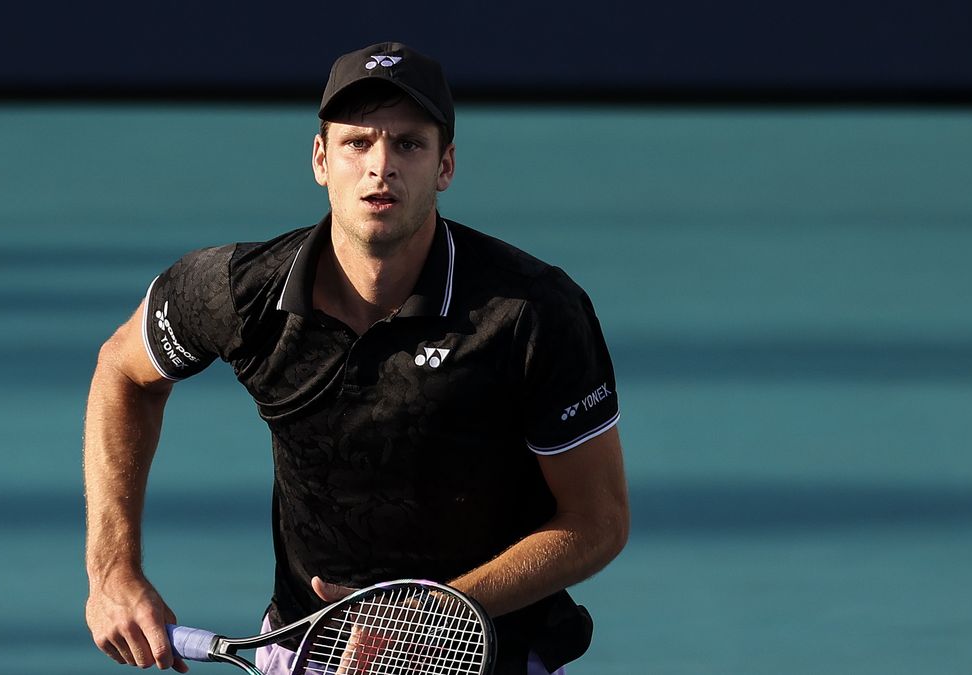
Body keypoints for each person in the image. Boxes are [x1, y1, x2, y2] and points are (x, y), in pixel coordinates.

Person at [83, 42, 629, 675]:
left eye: (409, 144)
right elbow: (124, 371)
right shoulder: (237, 293)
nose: (381, 167)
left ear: (445, 166)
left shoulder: (531, 312)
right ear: (321, 159)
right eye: (357, 143)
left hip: (489, 656)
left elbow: (598, 520)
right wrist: (113, 570)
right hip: (305, 651)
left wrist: (431, 620)